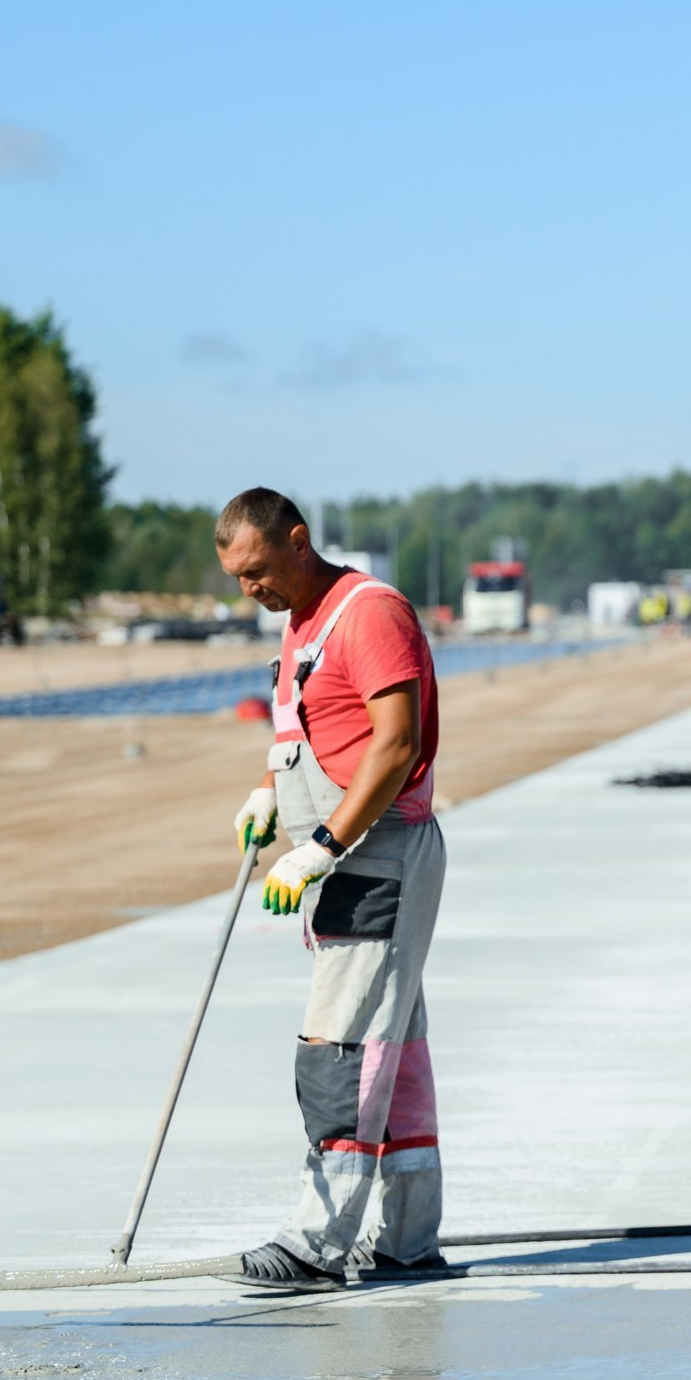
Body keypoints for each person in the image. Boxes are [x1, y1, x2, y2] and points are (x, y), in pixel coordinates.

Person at [214, 489, 448, 1289]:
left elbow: (395, 745)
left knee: (337, 1051)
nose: (250, 590)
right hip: (347, 860)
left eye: (256, 571)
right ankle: (410, 1241)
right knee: (396, 1052)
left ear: (298, 540)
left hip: (377, 854)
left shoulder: (369, 614)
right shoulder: (299, 626)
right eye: (237, 579)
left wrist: (319, 846)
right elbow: (309, 737)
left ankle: (316, 1243)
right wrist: (265, 796)